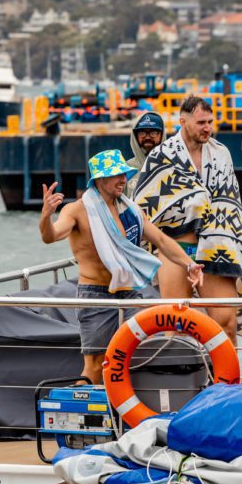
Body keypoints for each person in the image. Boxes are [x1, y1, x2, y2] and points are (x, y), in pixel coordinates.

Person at [39, 149, 204, 384]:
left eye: (124, 174)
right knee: (95, 366)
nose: (123, 180)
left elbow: (162, 241)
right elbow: (51, 236)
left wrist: (190, 265)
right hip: (95, 296)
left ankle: (128, 412)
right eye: (117, 175)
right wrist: (46, 217)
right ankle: (88, 415)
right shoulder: (76, 210)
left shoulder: (130, 210)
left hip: (130, 292)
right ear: (99, 179)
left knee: (139, 354)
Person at [134, 95, 242, 344]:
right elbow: (143, 205)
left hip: (215, 247)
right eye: (201, 123)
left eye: (210, 122)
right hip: (176, 246)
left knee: (226, 321)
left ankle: (228, 383)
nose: (207, 128)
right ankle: (183, 382)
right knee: (175, 325)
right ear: (182, 121)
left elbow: (231, 204)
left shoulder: (221, 153)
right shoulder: (161, 155)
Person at [125, 111, 166, 197]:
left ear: (162, 135)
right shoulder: (125, 169)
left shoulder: (171, 167)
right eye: (142, 133)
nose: (147, 137)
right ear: (135, 136)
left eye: (153, 133)